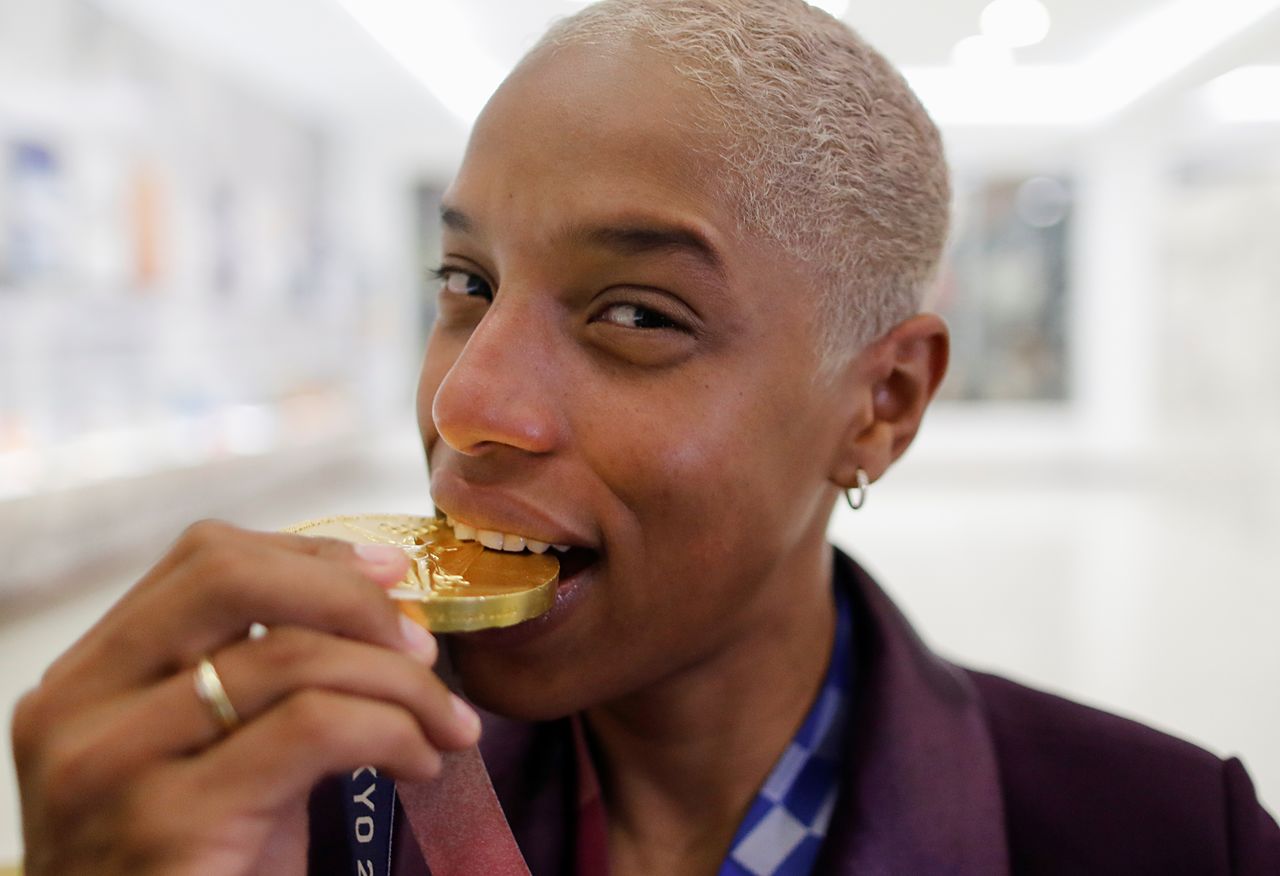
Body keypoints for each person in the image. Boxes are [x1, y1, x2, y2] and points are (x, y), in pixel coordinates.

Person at [11, 1, 1280, 873]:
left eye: (636, 313)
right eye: (465, 283)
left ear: (880, 403)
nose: (465, 405)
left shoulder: (1159, 835)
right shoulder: (289, 795)